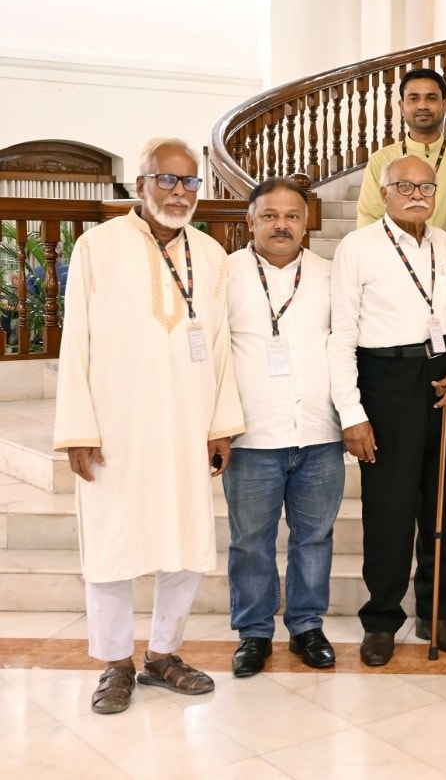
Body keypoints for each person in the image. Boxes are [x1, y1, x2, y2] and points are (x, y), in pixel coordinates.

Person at [54, 137, 244, 714]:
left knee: (184, 541)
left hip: (187, 424)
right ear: (140, 185)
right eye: (167, 179)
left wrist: (220, 425)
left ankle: (163, 654)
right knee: (111, 543)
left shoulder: (211, 254)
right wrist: (79, 427)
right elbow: (75, 339)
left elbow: (220, 346)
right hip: (115, 428)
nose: (180, 192)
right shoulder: (97, 246)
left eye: (190, 181)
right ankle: (115, 663)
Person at [331, 154, 446, 666]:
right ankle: (381, 619)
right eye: (406, 186)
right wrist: (352, 413)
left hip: (444, 378)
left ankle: (436, 612)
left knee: (444, 503)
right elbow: (341, 335)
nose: (418, 195)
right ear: (385, 193)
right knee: (389, 507)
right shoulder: (358, 247)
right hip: (386, 380)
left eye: (426, 187)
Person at [224, 177, 343, 677]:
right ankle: (254, 634)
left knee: (314, 538)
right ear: (250, 220)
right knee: (250, 540)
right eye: (270, 215)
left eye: (292, 216)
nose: (281, 225)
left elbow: (346, 347)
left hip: (319, 432)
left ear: (306, 223)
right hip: (251, 435)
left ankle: (306, 626)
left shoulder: (329, 275)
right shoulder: (225, 274)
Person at [356, 67, 446, 232]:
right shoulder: (381, 160)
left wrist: (445, 242)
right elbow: (368, 222)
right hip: (395, 248)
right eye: (414, 98)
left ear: (444, 105)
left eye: (431, 98)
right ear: (402, 105)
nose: (423, 106)